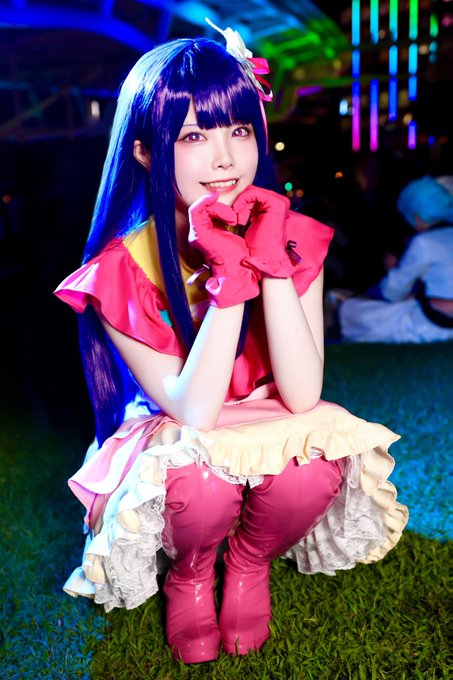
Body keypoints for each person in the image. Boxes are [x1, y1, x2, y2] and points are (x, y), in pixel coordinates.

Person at [54, 22, 408, 664]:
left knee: (313, 464)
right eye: (193, 136)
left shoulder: (293, 236)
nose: (226, 158)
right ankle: (191, 574)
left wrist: (269, 263)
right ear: (145, 152)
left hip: (267, 409)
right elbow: (195, 411)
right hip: (178, 426)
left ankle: (248, 563)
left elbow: (302, 396)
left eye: (239, 130)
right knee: (199, 479)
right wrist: (228, 281)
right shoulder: (121, 270)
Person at [336, 175, 453, 343]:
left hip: (436, 325)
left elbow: (393, 292)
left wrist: (394, 268)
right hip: (436, 312)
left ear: (417, 217)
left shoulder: (423, 242)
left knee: (351, 311)